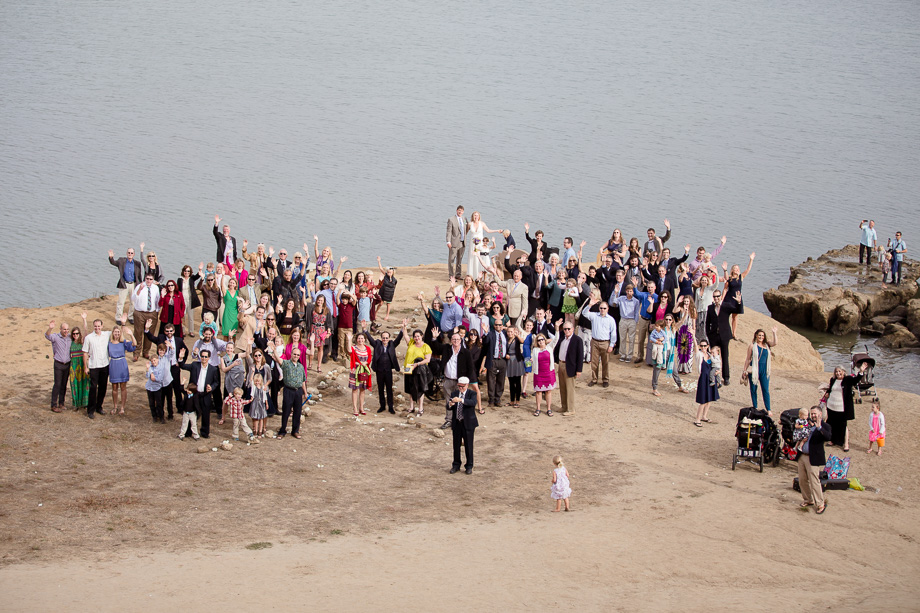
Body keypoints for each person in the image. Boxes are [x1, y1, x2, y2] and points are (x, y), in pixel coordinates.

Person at [144, 319, 187, 420]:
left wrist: (180, 361)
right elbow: (151, 338)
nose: (169, 333)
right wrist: (146, 329)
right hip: (163, 369)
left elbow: (185, 350)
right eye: (167, 331)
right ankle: (161, 412)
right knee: (163, 391)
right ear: (164, 332)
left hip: (174, 367)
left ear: (174, 331)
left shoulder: (179, 340)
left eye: (171, 331)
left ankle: (179, 408)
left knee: (176, 389)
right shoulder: (161, 338)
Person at [820, 363, 868, 451]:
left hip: (842, 407)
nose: (838, 373)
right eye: (836, 372)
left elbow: (856, 380)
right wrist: (827, 393)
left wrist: (861, 371)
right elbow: (831, 389)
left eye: (839, 371)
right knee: (832, 424)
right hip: (831, 406)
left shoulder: (847, 379)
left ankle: (846, 443)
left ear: (843, 372)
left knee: (843, 425)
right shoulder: (833, 379)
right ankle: (833, 440)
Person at [797, 406, 831, 515]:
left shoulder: (825, 426)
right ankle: (808, 499)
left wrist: (820, 427)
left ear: (820, 414)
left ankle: (820, 503)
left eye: (815, 414)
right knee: (802, 479)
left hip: (813, 457)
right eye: (812, 414)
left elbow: (828, 436)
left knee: (814, 481)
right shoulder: (807, 424)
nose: (813, 416)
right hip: (803, 455)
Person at [180, 349, 219, 438]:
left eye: (206, 356)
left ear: (209, 358)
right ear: (200, 357)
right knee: (191, 413)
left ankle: (205, 433)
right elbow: (182, 366)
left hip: (205, 394)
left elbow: (216, 382)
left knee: (205, 414)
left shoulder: (213, 369)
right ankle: (188, 432)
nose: (204, 358)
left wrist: (211, 387)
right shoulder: (195, 365)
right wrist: (181, 358)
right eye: (202, 356)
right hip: (195, 395)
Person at [439, 330, 474, 428]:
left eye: (457, 339)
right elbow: (435, 347)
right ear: (450, 340)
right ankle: (449, 420)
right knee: (448, 401)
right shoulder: (447, 349)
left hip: (460, 381)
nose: (455, 341)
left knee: (460, 401)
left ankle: (459, 421)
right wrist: (434, 338)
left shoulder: (466, 352)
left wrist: (466, 381)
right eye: (453, 339)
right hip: (448, 379)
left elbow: (470, 367)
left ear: (461, 340)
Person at [367, 323, 403, 414]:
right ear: (381, 338)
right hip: (379, 370)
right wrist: (365, 330)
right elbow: (370, 339)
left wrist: (403, 329)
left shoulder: (392, 345)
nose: (385, 339)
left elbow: (398, 339)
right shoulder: (377, 344)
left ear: (389, 339)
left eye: (386, 338)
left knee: (389, 389)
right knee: (380, 389)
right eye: (383, 338)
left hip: (388, 371)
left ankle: (391, 407)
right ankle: (382, 406)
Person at [742, 327, 778, 415]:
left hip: (764, 370)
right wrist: (744, 370)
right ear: (756, 336)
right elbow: (748, 359)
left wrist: (774, 333)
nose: (761, 337)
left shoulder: (767, 345)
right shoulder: (752, 345)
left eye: (762, 335)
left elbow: (775, 343)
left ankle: (768, 409)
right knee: (753, 389)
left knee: (765, 389)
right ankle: (755, 407)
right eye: (759, 335)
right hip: (754, 370)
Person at [583, 297, 617, 388]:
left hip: (605, 342)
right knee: (594, 362)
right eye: (601, 308)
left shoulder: (610, 319)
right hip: (594, 341)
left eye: (604, 308)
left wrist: (611, 345)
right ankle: (594, 379)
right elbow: (584, 313)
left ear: (607, 309)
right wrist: (590, 305)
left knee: (605, 362)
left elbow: (613, 333)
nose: (602, 310)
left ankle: (605, 379)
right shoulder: (594, 316)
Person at [553, 319, 584, 416]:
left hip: (570, 366)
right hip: (561, 364)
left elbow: (580, 356)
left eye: (568, 329)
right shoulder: (562, 338)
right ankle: (564, 406)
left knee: (570, 388)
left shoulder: (577, 340)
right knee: (562, 387)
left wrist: (579, 370)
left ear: (573, 329)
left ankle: (571, 409)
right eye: (565, 329)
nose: (566, 331)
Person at [448, 377, 478, 475]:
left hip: (468, 423)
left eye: (462, 386)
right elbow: (448, 407)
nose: (460, 388)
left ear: (467, 385)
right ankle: (456, 465)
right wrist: (450, 404)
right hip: (457, 423)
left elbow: (473, 403)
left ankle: (469, 465)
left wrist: (461, 400)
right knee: (456, 445)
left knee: (468, 445)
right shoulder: (454, 394)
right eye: (459, 386)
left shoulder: (472, 394)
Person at [720, 252, 755, 339]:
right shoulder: (729, 279)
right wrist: (722, 298)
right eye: (735, 268)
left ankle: (734, 333)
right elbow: (725, 289)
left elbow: (748, 269)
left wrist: (751, 259)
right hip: (729, 298)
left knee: (735, 317)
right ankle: (724, 331)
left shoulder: (741, 277)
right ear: (732, 270)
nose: (736, 270)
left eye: (737, 268)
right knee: (726, 315)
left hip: (737, 299)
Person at [82, 318, 111, 419]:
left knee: (103, 387)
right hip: (93, 366)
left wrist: (123, 323)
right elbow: (85, 353)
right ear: (93, 326)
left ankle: (99, 407)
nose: (97, 328)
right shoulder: (89, 338)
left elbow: (118, 333)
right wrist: (86, 367)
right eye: (95, 326)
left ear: (102, 326)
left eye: (99, 326)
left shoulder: (106, 335)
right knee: (93, 388)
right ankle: (91, 410)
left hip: (104, 365)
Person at [107, 316, 136, 415]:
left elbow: (134, 345)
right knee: (114, 387)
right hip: (113, 365)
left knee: (123, 387)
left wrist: (131, 335)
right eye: (115, 332)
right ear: (112, 333)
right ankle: (115, 406)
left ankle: (122, 407)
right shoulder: (109, 343)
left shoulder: (123, 342)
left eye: (118, 332)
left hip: (122, 364)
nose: (116, 334)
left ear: (120, 333)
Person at [402, 323, 432, 415]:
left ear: (421, 336)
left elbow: (428, 359)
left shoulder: (425, 346)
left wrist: (417, 364)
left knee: (420, 388)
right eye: (415, 336)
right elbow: (405, 335)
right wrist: (404, 326)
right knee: (410, 387)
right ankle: (411, 406)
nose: (416, 338)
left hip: (420, 370)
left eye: (418, 336)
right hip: (408, 368)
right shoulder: (411, 343)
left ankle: (420, 408)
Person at [277, 348, 308, 440]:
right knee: (286, 411)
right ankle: (282, 430)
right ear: (291, 354)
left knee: (297, 411)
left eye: (298, 355)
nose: (296, 356)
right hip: (288, 390)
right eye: (294, 354)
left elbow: (303, 381)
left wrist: (305, 392)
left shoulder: (300, 367)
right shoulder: (286, 364)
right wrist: (274, 349)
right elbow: (278, 360)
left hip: (298, 391)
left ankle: (295, 430)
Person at [705, 289, 733, 384]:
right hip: (714, 335)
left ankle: (726, 377)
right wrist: (708, 334)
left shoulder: (726, 306)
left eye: (718, 296)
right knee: (713, 356)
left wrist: (739, 302)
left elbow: (736, 309)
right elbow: (707, 322)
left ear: (721, 296)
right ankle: (713, 376)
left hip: (724, 335)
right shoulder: (710, 308)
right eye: (714, 296)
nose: (716, 298)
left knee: (725, 356)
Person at [108, 247, 143, 322]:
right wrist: (111, 257)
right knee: (121, 302)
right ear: (126, 253)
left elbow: (139, 275)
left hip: (133, 284)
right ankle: (118, 317)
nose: (130, 254)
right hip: (124, 284)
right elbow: (113, 262)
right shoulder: (121, 261)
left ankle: (130, 317)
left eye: (131, 253)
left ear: (134, 254)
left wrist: (140, 285)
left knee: (133, 302)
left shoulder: (137, 263)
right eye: (129, 253)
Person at [132, 273, 160, 360]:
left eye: (151, 279)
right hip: (140, 313)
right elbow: (133, 298)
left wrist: (157, 311)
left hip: (151, 313)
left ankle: (146, 352)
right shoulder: (139, 286)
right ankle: (136, 353)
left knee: (149, 333)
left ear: (153, 280)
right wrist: (139, 290)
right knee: (138, 333)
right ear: (145, 279)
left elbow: (157, 300)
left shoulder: (155, 288)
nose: (149, 281)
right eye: (147, 279)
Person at [45, 318, 72, 412]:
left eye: (67, 329)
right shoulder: (56, 337)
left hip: (67, 364)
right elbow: (47, 336)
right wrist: (50, 328)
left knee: (64, 385)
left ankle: (61, 403)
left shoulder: (70, 338)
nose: (66, 331)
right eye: (64, 329)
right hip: (58, 364)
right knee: (57, 384)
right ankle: (53, 405)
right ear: (60, 329)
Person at [466, 211, 501, 281]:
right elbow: (465, 233)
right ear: (472, 216)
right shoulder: (470, 224)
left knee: (479, 257)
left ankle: (479, 275)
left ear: (479, 216)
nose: (476, 217)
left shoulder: (482, 224)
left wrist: (497, 230)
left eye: (477, 215)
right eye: (475, 215)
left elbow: (488, 230)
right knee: (472, 257)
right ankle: (471, 275)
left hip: (480, 244)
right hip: (472, 244)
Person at [482, 319, 509, 407]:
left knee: (501, 380)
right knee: (491, 380)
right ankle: (491, 399)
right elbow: (485, 343)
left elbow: (508, 345)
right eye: (496, 325)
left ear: (502, 325)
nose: (498, 326)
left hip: (502, 360)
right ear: (494, 326)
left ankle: (498, 399)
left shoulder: (505, 334)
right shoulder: (490, 334)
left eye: (500, 325)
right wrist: (485, 333)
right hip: (493, 359)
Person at [531, 333, 557, 417]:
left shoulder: (550, 347)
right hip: (539, 373)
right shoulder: (535, 350)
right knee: (538, 391)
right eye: (539, 340)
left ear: (545, 340)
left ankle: (548, 408)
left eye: (542, 339)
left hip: (549, 372)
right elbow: (532, 358)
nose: (541, 341)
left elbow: (556, 339)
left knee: (548, 391)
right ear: (537, 342)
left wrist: (556, 329)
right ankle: (538, 408)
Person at [694, 341, 719, 427]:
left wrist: (718, 371)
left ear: (708, 346)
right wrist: (693, 337)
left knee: (709, 399)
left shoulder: (710, 355)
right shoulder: (700, 355)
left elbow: (717, 364)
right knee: (703, 400)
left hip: (711, 378)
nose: (703, 347)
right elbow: (696, 350)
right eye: (701, 346)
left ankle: (704, 416)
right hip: (704, 378)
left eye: (705, 346)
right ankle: (697, 419)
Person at [349, 332, 373, 417]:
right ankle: (355, 408)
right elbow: (349, 351)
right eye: (359, 338)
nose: (360, 340)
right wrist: (349, 339)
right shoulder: (354, 348)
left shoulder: (367, 348)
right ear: (356, 339)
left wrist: (365, 363)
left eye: (362, 338)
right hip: (356, 370)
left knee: (362, 390)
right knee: (355, 389)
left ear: (364, 339)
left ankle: (361, 407)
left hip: (364, 370)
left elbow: (369, 358)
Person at [68, 316, 90, 411]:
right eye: (74, 334)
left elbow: (86, 331)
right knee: (75, 384)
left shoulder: (82, 342)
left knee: (84, 384)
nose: (75, 335)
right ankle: (76, 404)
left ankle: (85, 403)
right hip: (73, 366)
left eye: (77, 333)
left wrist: (84, 319)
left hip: (82, 364)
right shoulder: (70, 342)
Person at [144, 351, 171, 423]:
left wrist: (151, 373)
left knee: (159, 403)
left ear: (157, 360)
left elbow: (158, 379)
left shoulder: (161, 368)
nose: (153, 362)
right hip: (149, 387)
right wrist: (148, 370)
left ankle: (161, 417)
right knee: (151, 403)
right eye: (152, 361)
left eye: (154, 360)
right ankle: (154, 416)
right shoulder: (150, 367)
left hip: (157, 388)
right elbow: (147, 376)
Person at [616, 284, 640, 362]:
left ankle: (630, 355)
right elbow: (613, 301)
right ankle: (623, 354)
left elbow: (636, 312)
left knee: (631, 338)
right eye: (628, 291)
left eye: (631, 291)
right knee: (622, 338)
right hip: (623, 319)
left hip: (631, 320)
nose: (629, 293)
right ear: (626, 291)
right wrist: (615, 293)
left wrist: (635, 321)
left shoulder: (636, 301)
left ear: (633, 292)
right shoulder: (621, 299)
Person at [177, 264, 202, 338]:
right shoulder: (180, 279)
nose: (187, 272)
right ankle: (183, 331)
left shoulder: (191, 279)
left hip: (190, 299)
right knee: (183, 316)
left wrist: (200, 269)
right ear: (183, 271)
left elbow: (197, 276)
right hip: (182, 300)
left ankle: (191, 331)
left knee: (191, 316)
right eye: (185, 271)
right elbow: (178, 289)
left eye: (188, 271)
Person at [446, 205, 467, 280]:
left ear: (463, 211)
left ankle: (458, 274)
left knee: (460, 259)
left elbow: (466, 229)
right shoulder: (451, 219)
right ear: (456, 210)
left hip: (462, 242)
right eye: (459, 210)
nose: (460, 212)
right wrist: (448, 241)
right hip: (454, 242)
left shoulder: (464, 219)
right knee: (452, 259)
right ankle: (451, 276)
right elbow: (449, 231)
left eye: (461, 211)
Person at [375, 257, 398, 321]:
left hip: (389, 294)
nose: (389, 273)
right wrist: (379, 261)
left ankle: (387, 315)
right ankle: (375, 312)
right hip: (383, 292)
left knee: (388, 304)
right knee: (380, 303)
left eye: (390, 272)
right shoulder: (385, 275)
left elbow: (394, 287)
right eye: (388, 272)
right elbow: (381, 268)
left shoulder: (394, 280)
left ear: (393, 273)